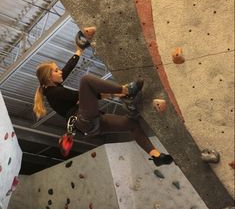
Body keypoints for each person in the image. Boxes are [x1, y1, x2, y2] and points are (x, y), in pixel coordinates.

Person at [33, 30, 173, 167]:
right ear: (48, 77)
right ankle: (126, 90)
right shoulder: (52, 92)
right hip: (84, 120)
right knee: (86, 81)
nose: (60, 71)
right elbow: (81, 96)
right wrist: (119, 92)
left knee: (132, 125)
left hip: (93, 125)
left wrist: (79, 51)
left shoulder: (51, 88)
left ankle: (156, 156)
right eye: (56, 70)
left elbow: (68, 69)